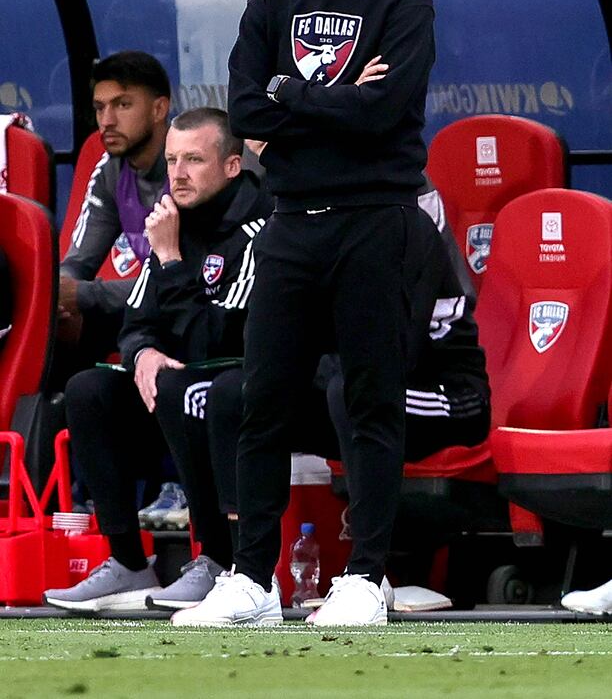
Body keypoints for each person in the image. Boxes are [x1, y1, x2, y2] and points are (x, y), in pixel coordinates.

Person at [172, 0, 441, 628]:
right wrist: (326, 98)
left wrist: (295, 96)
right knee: (262, 401)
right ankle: (252, 579)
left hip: (376, 220)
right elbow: (247, 112)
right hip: (292, 225)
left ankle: (366, 578)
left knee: (368, 402)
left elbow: (384, 115)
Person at [165, 180, 490, 616]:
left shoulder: (399, 224)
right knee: (238, 394)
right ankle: (237, 571)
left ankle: (370, 575)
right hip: (348, 383)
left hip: (447, 390)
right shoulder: (293, 231)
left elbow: (400, 355)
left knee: (350, 391)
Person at [43, 107, 273, 612]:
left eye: (194, 159)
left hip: (237, 395)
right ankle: (128, 562)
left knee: (180, 384)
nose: (178, 173)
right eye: (171, 160)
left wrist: (169, 261)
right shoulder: (172, 220)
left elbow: (219, 337)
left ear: (233, 165)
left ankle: (218, 560)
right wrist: (143, 351)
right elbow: (136, 322)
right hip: (178, 391)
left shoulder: (259, 230)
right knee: (89, 389)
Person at [57, 50, 171, 368]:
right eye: (99, 108)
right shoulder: (110, 170)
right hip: (144, 311)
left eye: (122, 105)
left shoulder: (191, 170)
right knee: (56, 325)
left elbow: (188, 284)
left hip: (196, 313)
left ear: (159, 108)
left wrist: (81, 295)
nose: (106, 121)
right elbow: (77, 263)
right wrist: (60, 296)